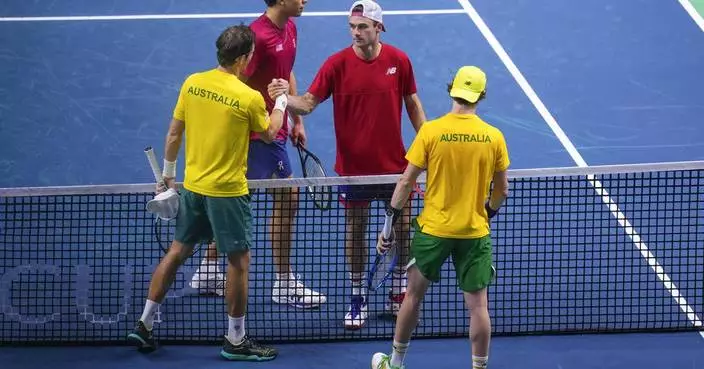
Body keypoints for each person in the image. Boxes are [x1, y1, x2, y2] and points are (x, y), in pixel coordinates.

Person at [127, 25, 288, 361]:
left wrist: (168, 176)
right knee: (239, 262)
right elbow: (271, 134)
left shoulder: (193, 82)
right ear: (244, 58)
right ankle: (236, 339)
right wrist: (282, 99)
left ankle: (144, 323)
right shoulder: (249, 97)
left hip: (193, 189)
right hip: (228, 194)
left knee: (177, 252)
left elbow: (173, 134)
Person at [268, 0, 427, 329]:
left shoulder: (399, 60)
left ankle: (397, 288)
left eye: (362, 27)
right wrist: (283, 99)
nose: (355, 32)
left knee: (403, 227)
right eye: (352, 27)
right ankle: (358, 296)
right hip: (354, 169)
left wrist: (428, 142)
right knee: (356, 230)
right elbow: (308, 102)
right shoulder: (336, 64)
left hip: (395, 167)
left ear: (378, 28)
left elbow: (411, 102)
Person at [189, 0, 326, 310]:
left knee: (240, 196)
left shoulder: (290, 27)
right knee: (287, 198)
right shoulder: (257, 38)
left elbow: (284, 74)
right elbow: (232, 84)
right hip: (258, 132)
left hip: (275, 125)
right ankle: (283, 282)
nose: (305, 0)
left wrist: (295, 118)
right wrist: (253, 128)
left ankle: (208, 270)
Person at [370, 66, 510, 369]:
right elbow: (501, 191)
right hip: (474, 233)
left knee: (412, 297)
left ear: (452, 90)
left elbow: (405, 182)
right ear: (481, 96)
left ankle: (395, 363)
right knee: (478, 308)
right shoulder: (494, 137)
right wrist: (485, 215)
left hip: (433, 233)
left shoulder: (430, 132)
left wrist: (387, 229)